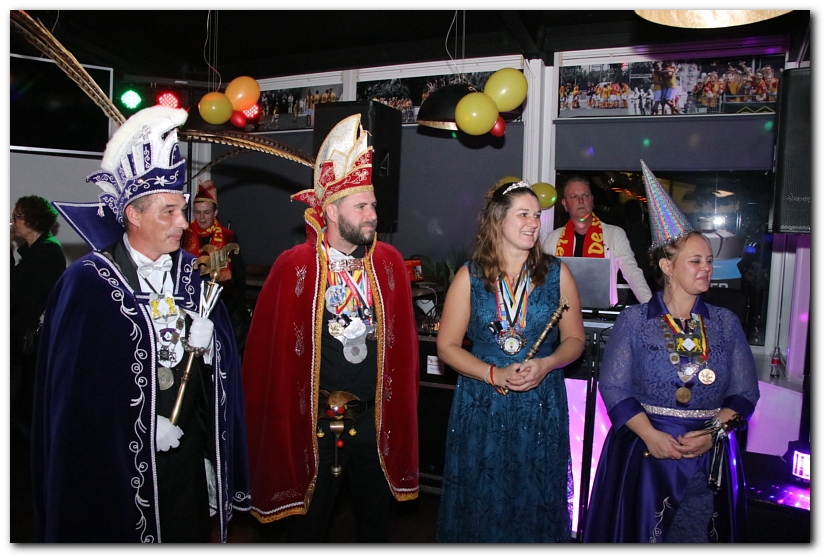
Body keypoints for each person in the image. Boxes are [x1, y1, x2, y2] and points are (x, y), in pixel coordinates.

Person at [32, 106, 249, 542]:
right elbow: (74, 398)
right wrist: (146, 423)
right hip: (117, 465)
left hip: (184, 457)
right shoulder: (88, 283)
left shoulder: (191, 274)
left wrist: (211, 349)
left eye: (182, 209)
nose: (183, 223)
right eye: (169, 212)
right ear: (133, 214)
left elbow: (219, 378)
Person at [242, 114, 419, 542]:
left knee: (376, 526)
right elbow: (266, 358)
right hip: (314, 428)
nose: (373, 215)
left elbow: (406, 352)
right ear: (332, 211)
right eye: (362, 207)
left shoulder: (390, 264)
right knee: (308, 530)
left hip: (374, 426)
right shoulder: (293, 266)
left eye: (373, 205)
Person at [582, 161, 760, 543]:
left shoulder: (726, 323)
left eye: (709, 261)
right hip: (645, 458)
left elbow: (745, 393)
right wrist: (650, 435)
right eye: (695, 261)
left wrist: (713, 433)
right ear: (667, 266)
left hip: (708, 460)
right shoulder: (634, 321)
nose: (706, 268)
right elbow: (614, 388)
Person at [435, 180, 586, 542]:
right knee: (481, 496)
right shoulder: (469, 276)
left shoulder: (557, 274)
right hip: (482, 402)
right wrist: (494, 374)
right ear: (498, 220)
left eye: (537, 215)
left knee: (534, 495)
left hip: (540, 402)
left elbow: (575, 340)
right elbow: (447, 346)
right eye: (523, 214)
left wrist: (547, 364)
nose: (534, 222)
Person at [542, 176, 652, 305]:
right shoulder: (553, 239)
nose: (581, 201)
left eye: (585, 195)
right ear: (565, 204)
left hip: (602, 311)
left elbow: (632, 272)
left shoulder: (614, 234)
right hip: (561, 311)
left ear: (592, 200)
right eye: (574, 197)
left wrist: (650, 305)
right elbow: (541, 277)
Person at [10, 195, 66, 446]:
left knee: (20, 409)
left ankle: (37, 457)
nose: (13, 221)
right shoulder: (38, 250)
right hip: (27, 343)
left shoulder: (46, 252)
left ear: (32, 220)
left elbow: (15, 293)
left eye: (18, 216)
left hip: (33, 344)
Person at [182, 180, 251, 355]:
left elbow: (239, 276)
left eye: (206, 212)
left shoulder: (228, 237)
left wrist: (229, 308)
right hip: (193, 304)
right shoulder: (184, 235)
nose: (202, 217)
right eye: (197, 212)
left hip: (225, 305)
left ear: (215, 213)